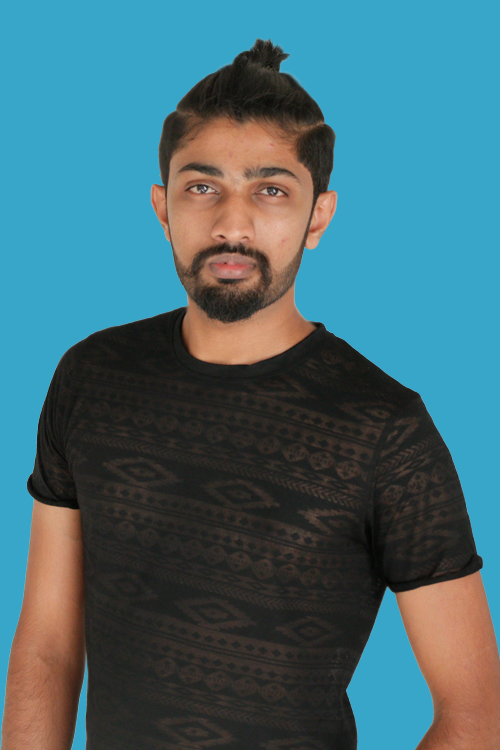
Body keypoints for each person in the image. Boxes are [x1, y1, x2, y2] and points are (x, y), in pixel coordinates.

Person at [3, 38, 499, 750]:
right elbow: (48, 647)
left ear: (318, 216)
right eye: (202, 187)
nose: (231, 225)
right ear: (162, 206)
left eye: (271, 190)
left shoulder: (384, 430)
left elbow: (476, 713)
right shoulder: (91, 377)